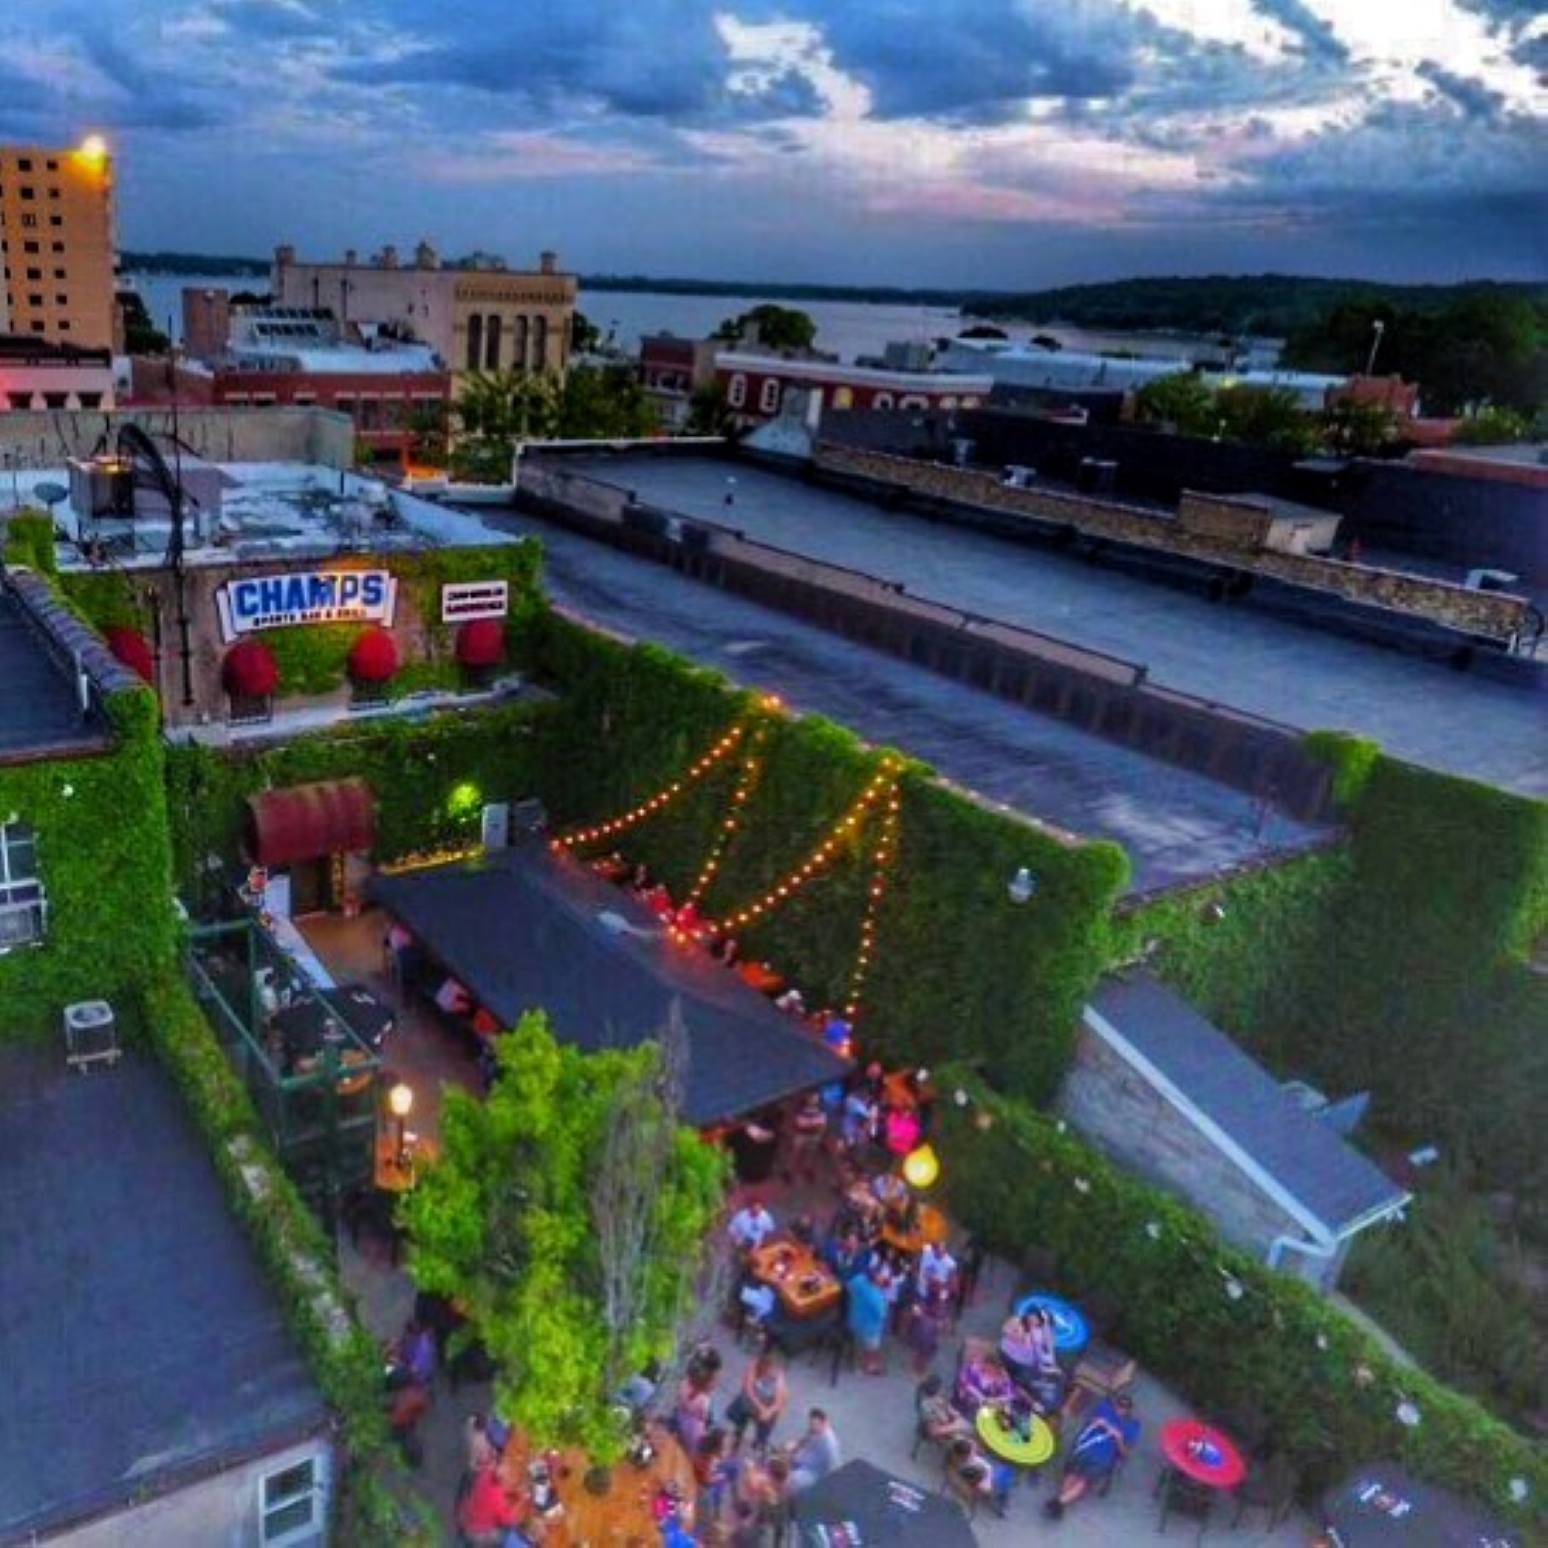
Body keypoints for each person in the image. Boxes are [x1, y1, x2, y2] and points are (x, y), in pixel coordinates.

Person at [1045, 1392, 1140, 1520]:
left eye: (1124, 1408)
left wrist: (1118, 1438)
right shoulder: (1104, 1408)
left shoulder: (1132, 1426)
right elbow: (1087, 1420)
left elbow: (1125, 1454)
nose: (1120, 1410)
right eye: (1118, 1406)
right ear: (1115, 1404)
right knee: (1072, 1473)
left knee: (1084, 1480)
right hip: (1085, 1447)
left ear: (1129, 1411)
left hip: (1103, 1458)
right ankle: (1060, 1503)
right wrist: (1097, 1421)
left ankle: (1058, 1502)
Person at [726, 1351, 788, 1454]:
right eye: (767, 1369)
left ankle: (759, 1442)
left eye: (771, 1369)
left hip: (767, 1404)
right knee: (743, 1405)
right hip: (753, 1400)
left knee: (769, 1420)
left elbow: (779, 1401)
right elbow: (748, 1389)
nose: (769, 1372)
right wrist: (761, 1407)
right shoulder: (753, 1366)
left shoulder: (778, 1376)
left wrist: (768, 1411)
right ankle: (738, 1435)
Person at [457, 1461, 526, 1547]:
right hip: (474, 1534)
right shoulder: (497, 1500)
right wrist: (521, 1499)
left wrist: (515, 1492)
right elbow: (509, 1520)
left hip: (467, 1517)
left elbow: (499, 1488)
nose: (511, 1480)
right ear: (504, 1480)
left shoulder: (486, 1474)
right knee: (510, 1530)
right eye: (509, 1478)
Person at [844, 1265, 890, 1376]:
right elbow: (882, 1315)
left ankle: (854, 1365)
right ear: (876, 1279)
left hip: (854, 1319)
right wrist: (884, 1296)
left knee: (857, 1343)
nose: (883, 1277)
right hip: (870, 1329)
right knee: (871, 1348)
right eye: (880, 1276)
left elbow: (849, 1288)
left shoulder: (859, 1279)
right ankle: (870, 1367)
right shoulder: (876, 1297)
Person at [785, 1409, 841, 1495]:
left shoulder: (830, 1445)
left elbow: (833, 1469)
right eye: (811, 1424)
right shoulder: (815, 1430)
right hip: (807, 1459)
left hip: (814, 1473)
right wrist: (795, 1445)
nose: (813, 1427)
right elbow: (805, 1438)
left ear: (824, 1423)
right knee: (784, 1450)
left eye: (815, 1425)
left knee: (789, 1481)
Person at [955, 1347, 1015, 1419]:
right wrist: (981, 1397)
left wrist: (996, 1400)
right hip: (974, 1400)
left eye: (982, 1363)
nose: (980, 1365)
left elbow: (1010, 1395)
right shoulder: (974, 1369)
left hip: (992, 1403)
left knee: (1005, 1411)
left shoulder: (1002, 1376)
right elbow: (965, 1382)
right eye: (979, 1362)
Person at [916, 1373, 972, 1445]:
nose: (941, 1391)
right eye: (939, 1389)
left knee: (969, 1427)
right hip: (940, 1429)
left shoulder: (939, 1396)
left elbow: (946, 1405)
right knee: (966, 1443)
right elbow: (934, 1431)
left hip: (947, 1421)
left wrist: (952, 1411)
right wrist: (956, 1426)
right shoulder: (926, 1406)